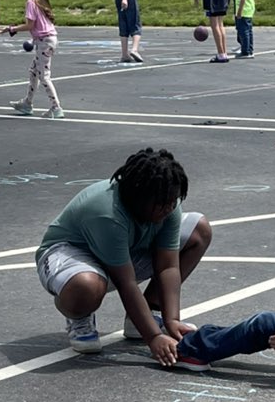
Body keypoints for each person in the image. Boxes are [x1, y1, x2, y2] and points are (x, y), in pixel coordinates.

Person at [35, 148, 213, 357]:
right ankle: (79, 314)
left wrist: (171, 320)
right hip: (68, 254)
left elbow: (168, 266)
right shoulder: (107, 212)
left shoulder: (168, 203)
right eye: (161, 204)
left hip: (122, 253)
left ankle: (146, 313)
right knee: (86, 287)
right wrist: (154, 337)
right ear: (138, 196)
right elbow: (125, 282)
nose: (168, 208)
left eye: (172, 201)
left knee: (199, 230)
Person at [0, 0, 64, 120]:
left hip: (44, 42)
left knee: (44, 76)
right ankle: (27, 103)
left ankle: (56, 107)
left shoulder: (31, 2)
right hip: (48, 40)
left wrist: (11, 29)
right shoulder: (42, 0)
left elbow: (30, 25)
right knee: (34, 71)